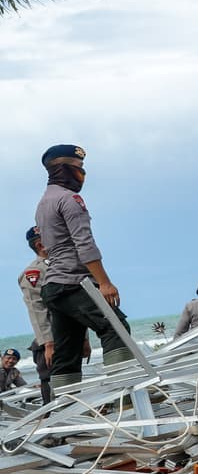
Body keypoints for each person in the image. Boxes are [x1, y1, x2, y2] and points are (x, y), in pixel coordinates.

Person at [33, 144, 135, 394]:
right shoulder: (69, 199)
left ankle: (66, 406)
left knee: (67, 351)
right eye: (78, 167)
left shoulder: (43, 203)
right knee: (115, 327)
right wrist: (105, 283)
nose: (82, 173)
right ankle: (128, 395)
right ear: (62, 169)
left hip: (53, 286)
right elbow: (84, 243)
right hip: (73, 281)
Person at [18, 227, 55, 403]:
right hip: (51, 338)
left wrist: (84, 338)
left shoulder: (63, 264)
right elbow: (37, 309)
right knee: (49, 379)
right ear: (40, 244)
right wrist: (48, 343)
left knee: (71, 376)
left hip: (70, 333)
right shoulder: (33, 272)